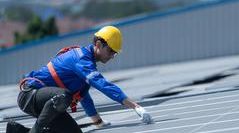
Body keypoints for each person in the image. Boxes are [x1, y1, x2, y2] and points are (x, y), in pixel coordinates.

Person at [6, 26, 153, 133]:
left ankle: (16, 131)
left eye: (115, 54)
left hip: (49, 102)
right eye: (110, 51)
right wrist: (135, 106)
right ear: (98, 45)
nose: (112, 56)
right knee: (63, 95)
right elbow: (103, 85)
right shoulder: (81, 59)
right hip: (31, 95)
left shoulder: (87, 68)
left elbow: (84, 96)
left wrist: (98, 122)